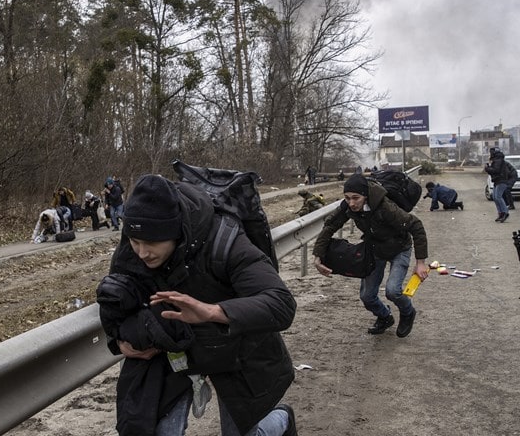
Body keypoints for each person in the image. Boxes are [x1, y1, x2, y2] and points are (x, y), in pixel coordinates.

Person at [98, 174, 298, 436]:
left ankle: (281, 420)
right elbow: (118, 300)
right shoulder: (133, 246)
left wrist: (213, 312)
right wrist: (119, 341)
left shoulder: (225, 241)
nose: (142, 253)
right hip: (173, 351)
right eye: (136, 242)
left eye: (152, 244)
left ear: (176, 232)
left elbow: (282, 303)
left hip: (234, 348)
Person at [312, 174, 430, 338]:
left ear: (365, 196)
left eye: (356, 198)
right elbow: (330, 226)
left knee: (393, 290)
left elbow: (416, 225)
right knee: (367, 296)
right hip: (374, 249)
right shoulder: (347, 206)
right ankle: (384, 317)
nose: (352, 203)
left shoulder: (384, 207)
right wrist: (318, 255)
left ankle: (408, 312)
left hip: (399, 248)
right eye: (347, 198)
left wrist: (420, 263)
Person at [485, 148, 513, 222]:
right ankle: (500, 213)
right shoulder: (497, 160)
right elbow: (495, 170)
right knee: (495, 197)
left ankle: (505, 212)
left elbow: (496, 170)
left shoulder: (498, 160)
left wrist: (488, 169)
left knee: (498, 197)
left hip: (501, 181)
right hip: (498, 181)